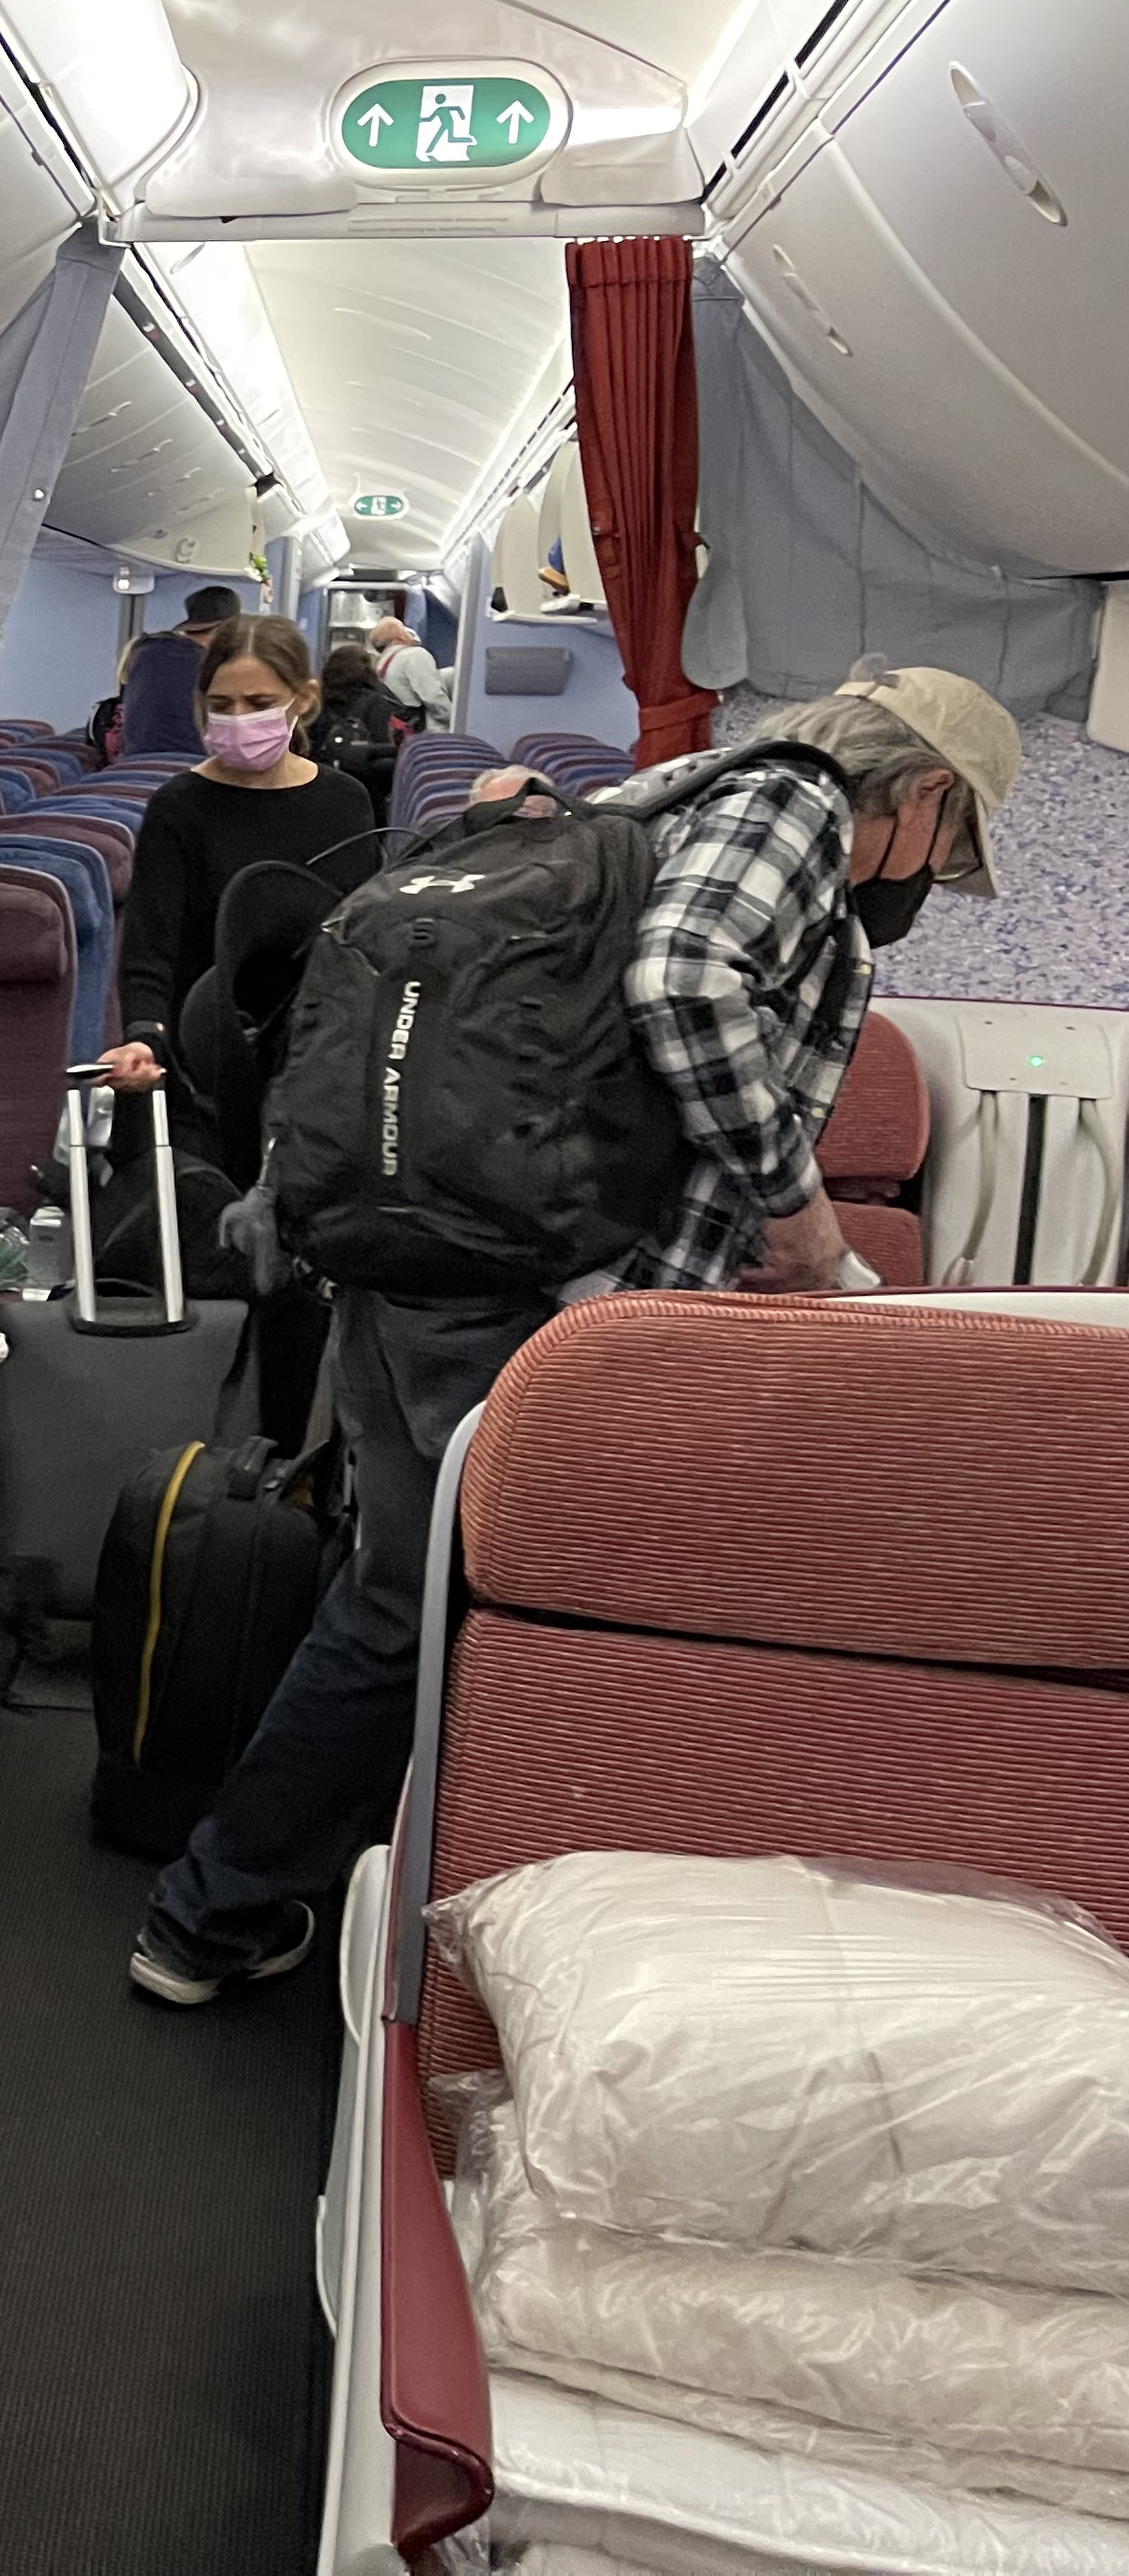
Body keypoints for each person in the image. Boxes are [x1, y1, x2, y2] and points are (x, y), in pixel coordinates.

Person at [128, 670, 1024, 2009]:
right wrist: (796, 1214)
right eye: (948, 852)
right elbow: (684, 980)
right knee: (479, 1607)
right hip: (531, 1285)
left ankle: (265, 1900)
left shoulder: (665, 800)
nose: (926, 881)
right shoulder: (797, 808)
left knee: (406, 1588)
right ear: (930, 793)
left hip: (415, 1236)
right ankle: (310, 1922)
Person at [102, 615, 378, 1102]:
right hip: (199, 1056)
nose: (239, 718)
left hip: (317, 1061)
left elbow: (362, 943)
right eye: (221, 705)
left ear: (304, 699)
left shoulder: (345, 802)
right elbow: (150, 954)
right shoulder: (178, 806)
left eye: (259, 704)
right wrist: (143, 1038)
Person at [113, 580, 243, 760]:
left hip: (133, 762)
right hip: (192, 762)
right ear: (229, 630)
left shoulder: (144, 653)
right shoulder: (213, 666)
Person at [308, 635, 403, 815]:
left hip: (321, 779)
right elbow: (382, 744)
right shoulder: (377, 701)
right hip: (365, 788)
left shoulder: (317, 699)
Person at [369, 609, 451, 725]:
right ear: (400, 635)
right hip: (425, 727)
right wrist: (456, 720)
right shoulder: (414, 655)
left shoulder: (382, 664)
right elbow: (432, 697)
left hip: (399, 726)